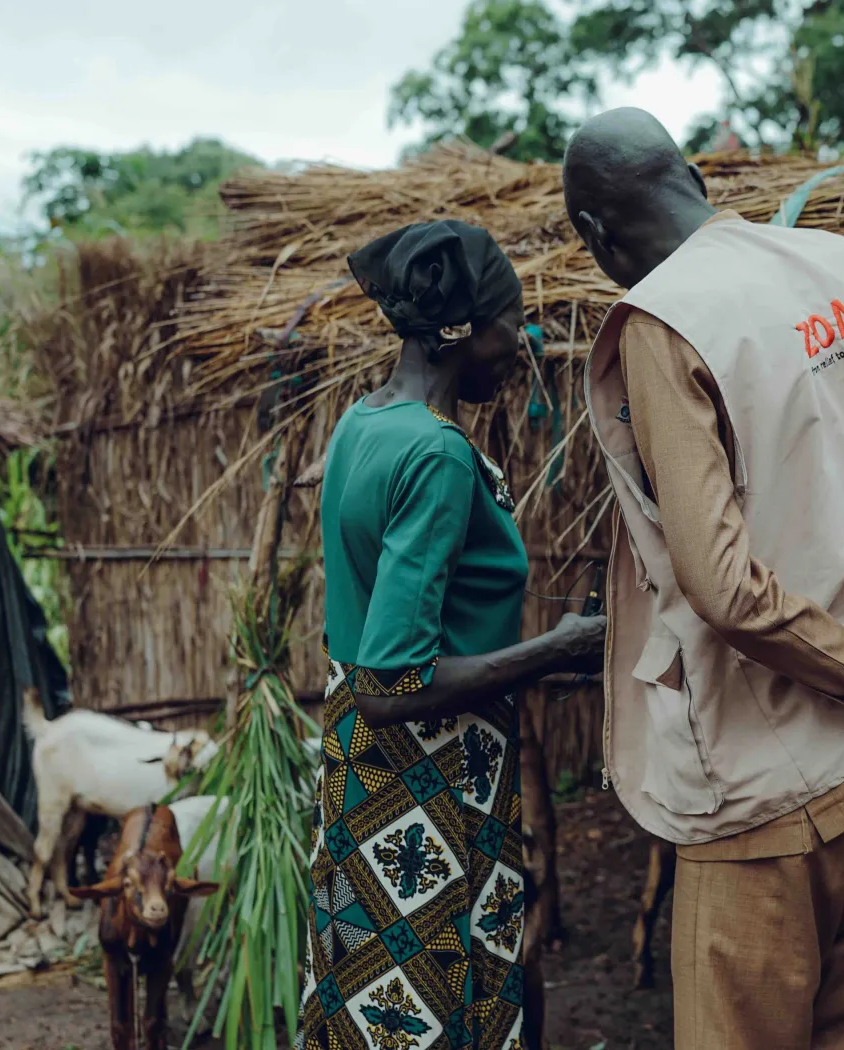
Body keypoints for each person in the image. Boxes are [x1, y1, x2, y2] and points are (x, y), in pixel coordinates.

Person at [563, 108, 844, 1050]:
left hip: (771, 780)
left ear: (596, 234)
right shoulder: (839, 266)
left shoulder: (665, 321)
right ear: (694, 178)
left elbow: (722, 590)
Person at [297, 220, 604, 1050]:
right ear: (462, 332)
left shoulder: (363, 422)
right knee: (430, 1007)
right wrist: (560, 649)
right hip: (425, 782)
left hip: (361, 774)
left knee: (370, 1004)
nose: (520, 345)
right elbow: (394, 686)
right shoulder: (436, 454)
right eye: (512, 324)